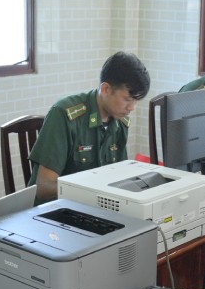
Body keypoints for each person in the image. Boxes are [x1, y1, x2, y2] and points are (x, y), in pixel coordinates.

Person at [27, 51, 150, 203]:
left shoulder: (120, 122)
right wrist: (91, 191)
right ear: (105, 89)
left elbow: (120, 177)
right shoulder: (65, 115)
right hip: (56, 211)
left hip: (95, 208)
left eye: (136, 101)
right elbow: (43, 188)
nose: (132, 107)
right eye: (127, 99)